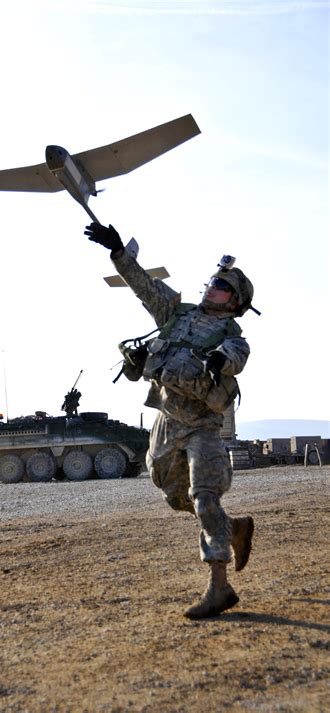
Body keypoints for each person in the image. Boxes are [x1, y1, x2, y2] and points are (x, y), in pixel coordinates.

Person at [85, 222, 255, 619]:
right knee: (172, 493)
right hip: (166, 421)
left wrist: (219, 360)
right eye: (214, 281)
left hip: (202, 425)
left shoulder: (232, 334)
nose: (213, 287)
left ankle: (219, 587)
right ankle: (237, 529)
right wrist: (118, 252)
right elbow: (144, 286)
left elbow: (236, 356)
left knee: (204, 495)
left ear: (235, 301)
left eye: (223, 286)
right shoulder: (175, 315)